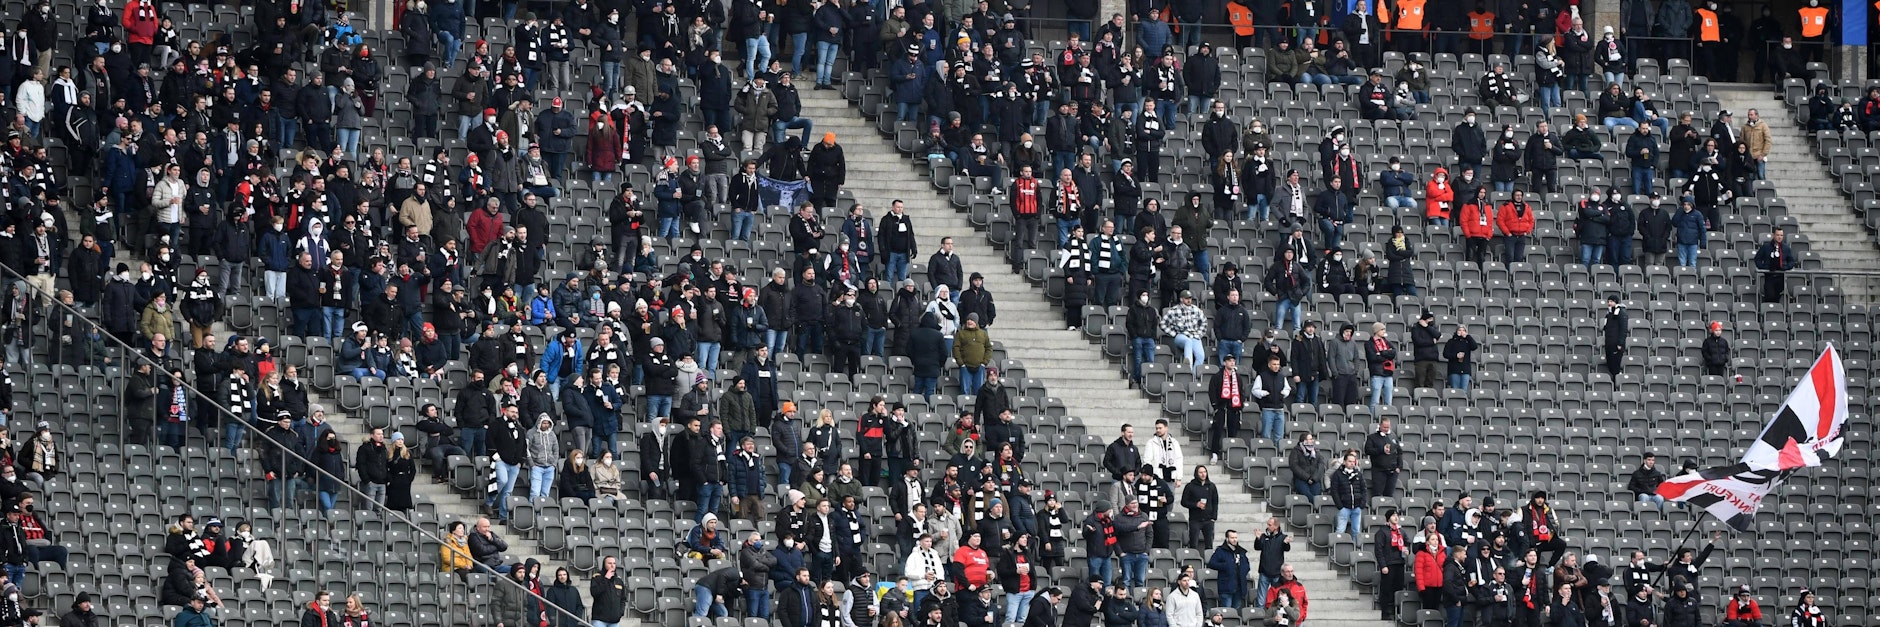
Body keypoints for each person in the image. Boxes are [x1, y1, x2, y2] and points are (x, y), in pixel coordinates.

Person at [1374, 509, 1410, 620]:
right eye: (1394, 515)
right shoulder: (1382, 532)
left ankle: (1397, 611)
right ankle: (1385, 611)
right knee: (1386, 588)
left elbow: (1407, 542)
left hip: (1399, 563)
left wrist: (1406, 550)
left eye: (1397, 515)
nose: (1396, 517)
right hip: (1388, 563)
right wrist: (1383, 565)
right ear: (1388, 517)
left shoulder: (1401, 531)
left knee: (1398, 588)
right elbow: (1378, 550)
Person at [1753, 228, 1798, 304]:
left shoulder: (1786, 248)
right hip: (1769, 276)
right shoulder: (1766, 247)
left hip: (1781, 277)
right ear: (1774, 235)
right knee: (1770, 296)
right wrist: (1764, 267)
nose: (1779, 237)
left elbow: (1792, 261)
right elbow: (1757, 259)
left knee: (1778, 297)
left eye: (1781, 235)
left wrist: (1785, 267)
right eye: (1777, 235)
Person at [1602, 296, 1629, 377]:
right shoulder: (1609, 313)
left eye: (1611, 301)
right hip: (1609, 343)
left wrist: (1620, 343)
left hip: (1616, 344)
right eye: (1608, 301)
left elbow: (1623, 329)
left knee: (1615, 366)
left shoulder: (1621, 312)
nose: (1609, 303)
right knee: (1610, 364)